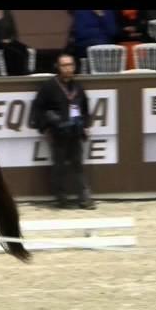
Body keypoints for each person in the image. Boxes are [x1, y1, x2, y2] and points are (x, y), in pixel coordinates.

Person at [29, 53, 95, 210]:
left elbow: (85, 109)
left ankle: (84, 198)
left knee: (78, 165)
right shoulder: (49, 87)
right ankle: (61, 199)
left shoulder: (78, 88)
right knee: (59, 167)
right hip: (57, 133)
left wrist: (85, 125)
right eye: (64, 65)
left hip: (75, 132)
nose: (68, 68)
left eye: (70, 65)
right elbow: (38, 108)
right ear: (58, 67)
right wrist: (45, 127)